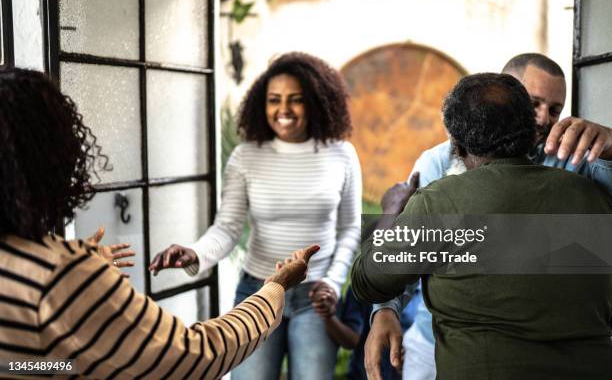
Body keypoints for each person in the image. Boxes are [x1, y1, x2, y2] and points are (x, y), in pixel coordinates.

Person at [0, 68, 320, 379]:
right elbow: (194, 355)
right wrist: (275, 287)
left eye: (296, 99)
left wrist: (76, 267)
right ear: (53, 158)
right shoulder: (62, 276)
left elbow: (25, 365)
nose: (284, 109)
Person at [365, 53, 612, 380]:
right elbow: (403, 254)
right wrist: (385, 309)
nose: (542, 118)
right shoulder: (438, 162)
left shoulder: (575, 159)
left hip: (554, 349)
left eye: (554, 109)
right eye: (532, 103)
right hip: (439, 340)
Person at [148, 52, 362, 380]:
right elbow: (228, 227)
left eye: (296, 100)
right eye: (274, 100)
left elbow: (349, 228)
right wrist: (194, 253)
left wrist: (332, 283)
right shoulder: (246, 157)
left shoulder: (341, 154)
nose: (284, 110)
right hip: (257, 293)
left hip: (316, 300)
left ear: (317, 102)